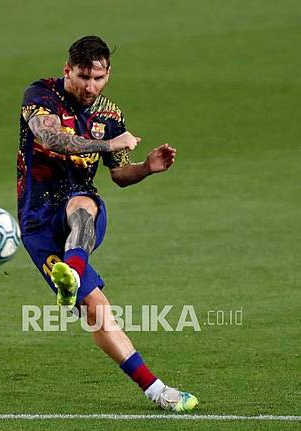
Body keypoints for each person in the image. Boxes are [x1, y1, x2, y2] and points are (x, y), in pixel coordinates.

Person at [17, 35, 198, 412]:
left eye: (98, 78)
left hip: (81, 204)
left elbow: (119, 175)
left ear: (108, 74)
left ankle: (72, 270)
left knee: (81, 205)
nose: (90, 86)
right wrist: (110, 146)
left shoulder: (109, 115)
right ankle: (157, 391)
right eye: (83, 77)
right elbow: (53, 139)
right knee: (97, 310)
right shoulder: (41, 96)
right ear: (68, 70)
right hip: (36, 220)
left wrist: (146, 168)